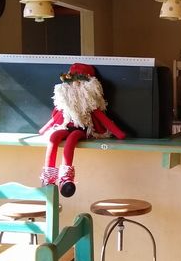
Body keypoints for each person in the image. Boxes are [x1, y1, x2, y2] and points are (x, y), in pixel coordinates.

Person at [39, 63, 125, 197]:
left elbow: (102, 118)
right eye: (72, 81)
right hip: (65, 126)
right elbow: (56, 118)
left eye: (80, 81)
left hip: (82, 129)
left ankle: (66, 179)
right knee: (54, 137)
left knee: (72, 138)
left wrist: (119, 134)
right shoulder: (65, 103)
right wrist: (44, 130)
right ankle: (48, 179)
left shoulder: (89, 104)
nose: (75, 84)